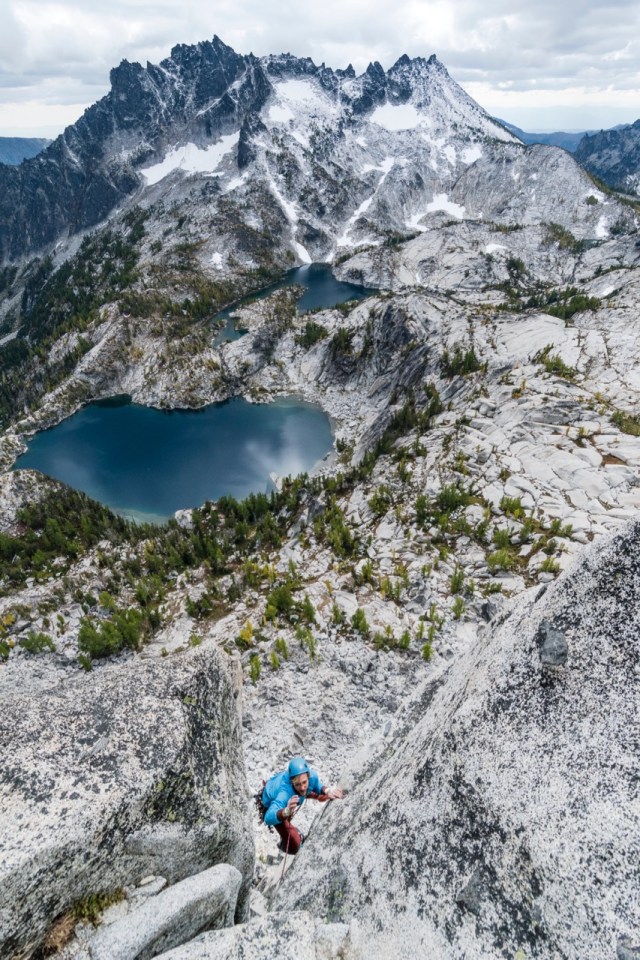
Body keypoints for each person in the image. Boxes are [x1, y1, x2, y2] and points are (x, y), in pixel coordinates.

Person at [260, 756, 344, 855]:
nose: (303, 787)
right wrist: (286, 811)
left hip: (288, 793)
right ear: (292, 783)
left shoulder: (312, 776)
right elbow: (268, 818)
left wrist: (328, 790)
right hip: (272, 802)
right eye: (298, 784)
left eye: (304, 782)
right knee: (295, 846)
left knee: (323, 795)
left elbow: (317, 785)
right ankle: (283, 844)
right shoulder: (285, 793)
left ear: (308, 776)